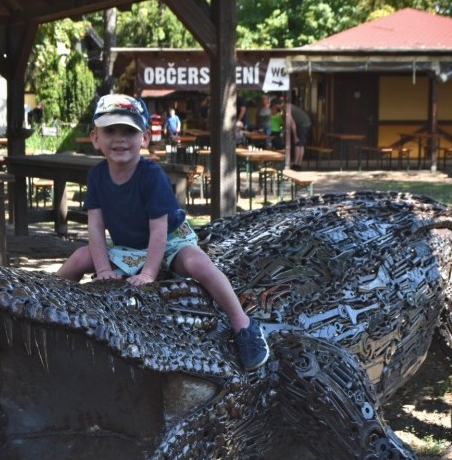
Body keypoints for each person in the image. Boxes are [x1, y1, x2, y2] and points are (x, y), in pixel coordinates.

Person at [57, 94, 270, 371]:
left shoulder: (151, 176)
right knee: (78, 258)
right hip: (130, 247)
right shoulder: (97, 176)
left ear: (145, 138)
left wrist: (148, 273)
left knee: (198, 263)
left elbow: (158, 231)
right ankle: (47, 304)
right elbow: (95, 227)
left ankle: (243, 324)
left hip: (170, 239)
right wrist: (102, 268)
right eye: (110, 130)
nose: (119, 138)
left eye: (129, 131)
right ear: (96, 138)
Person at [285, 96, 311, 170]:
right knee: (301, 144)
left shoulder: (287, 109)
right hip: (306, 122)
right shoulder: (289, 106)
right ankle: (298, 164)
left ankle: (296, 164)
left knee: (298, 144)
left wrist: (295, 136)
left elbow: (292, 123)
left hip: (302, 124)